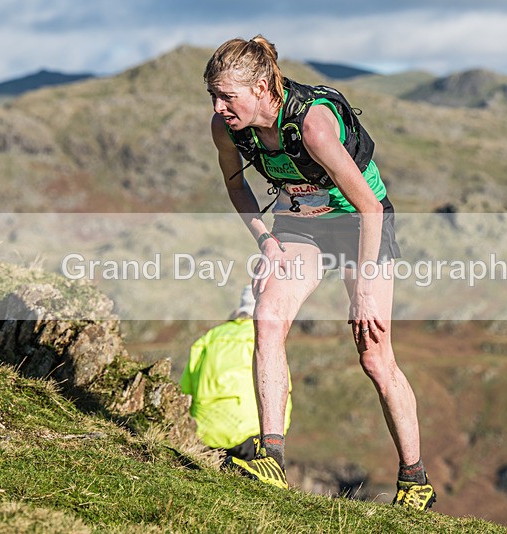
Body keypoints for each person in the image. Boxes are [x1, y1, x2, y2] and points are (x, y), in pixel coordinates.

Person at [204, 35, 436, 511]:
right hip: (298, 224)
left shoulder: (312, 125)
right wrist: (265, 242)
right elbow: (235, 185)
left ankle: (415, 481)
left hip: (358, 223)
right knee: (266, 319)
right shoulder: (225, 128)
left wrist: (365, 291)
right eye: (213, 95)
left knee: (375, 357)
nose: (218, 106)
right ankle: (270, 459)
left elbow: (370, 208)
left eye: (228, 96)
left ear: (263, 87)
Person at [180, 285, 293, 460]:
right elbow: (281, 390)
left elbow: (185, 389)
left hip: (208, 434)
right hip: (253, 433)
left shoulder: (209, 338)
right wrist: (277, 437)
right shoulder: (268, 340)